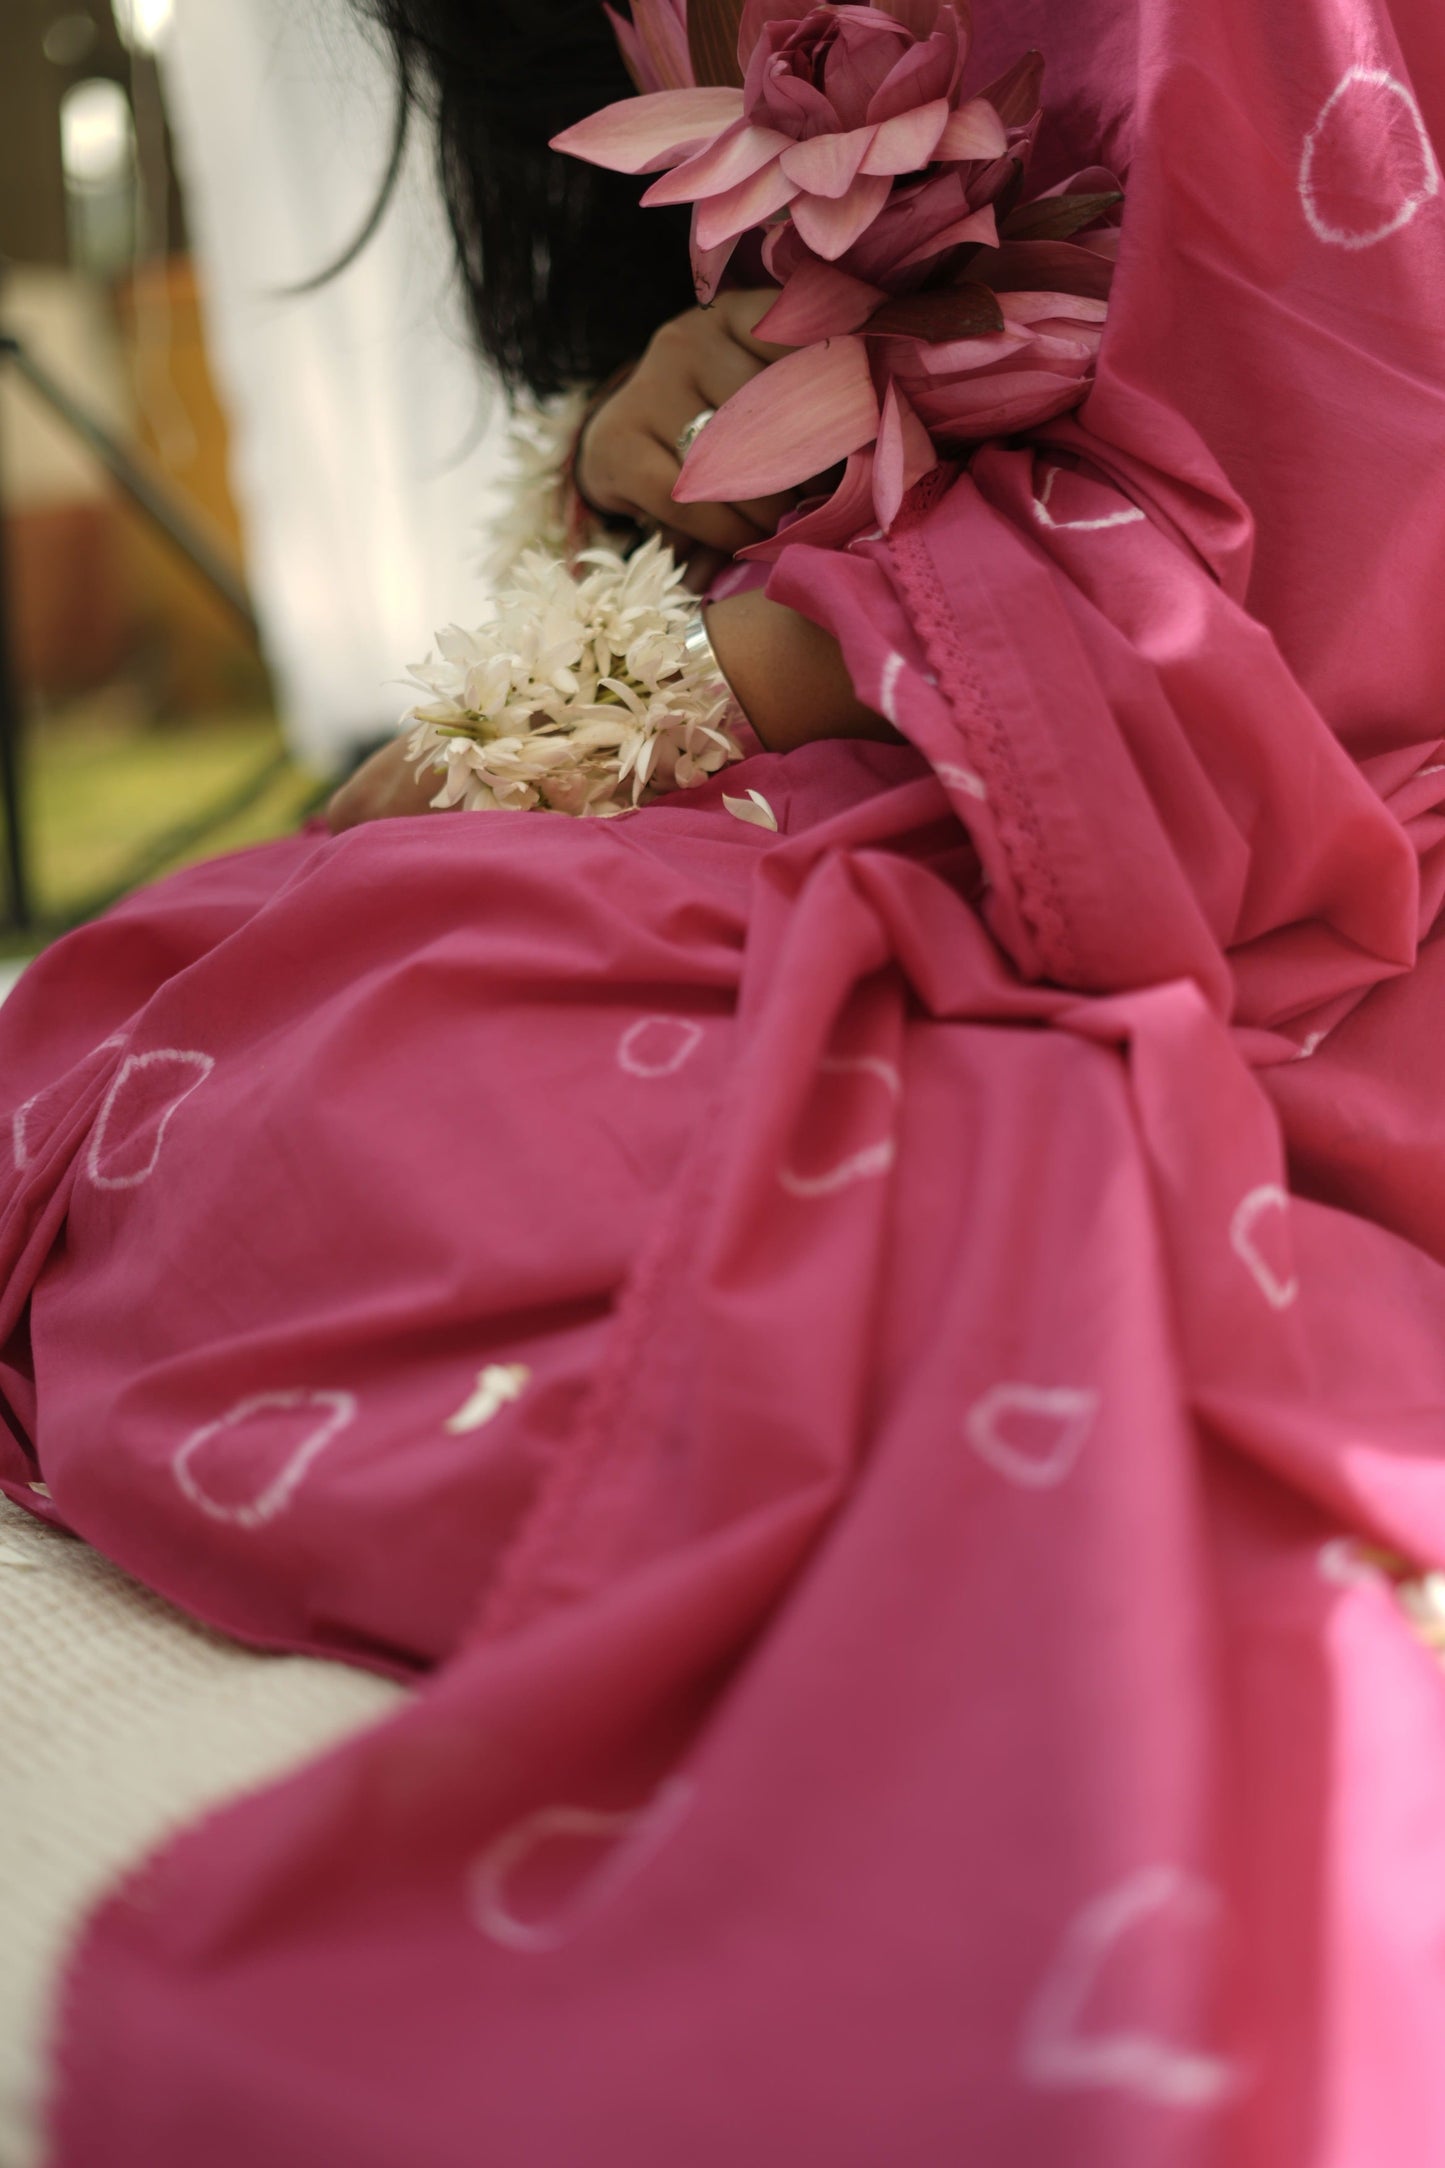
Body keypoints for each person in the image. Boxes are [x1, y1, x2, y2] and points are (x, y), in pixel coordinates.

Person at [7, 0, 1445, 2161]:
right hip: (882, 772)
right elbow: (789, 441)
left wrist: (727, 672)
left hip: (1291, 835)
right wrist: (635, 470)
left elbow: (1353, 523)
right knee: (236, 1021)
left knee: (414, 1048)